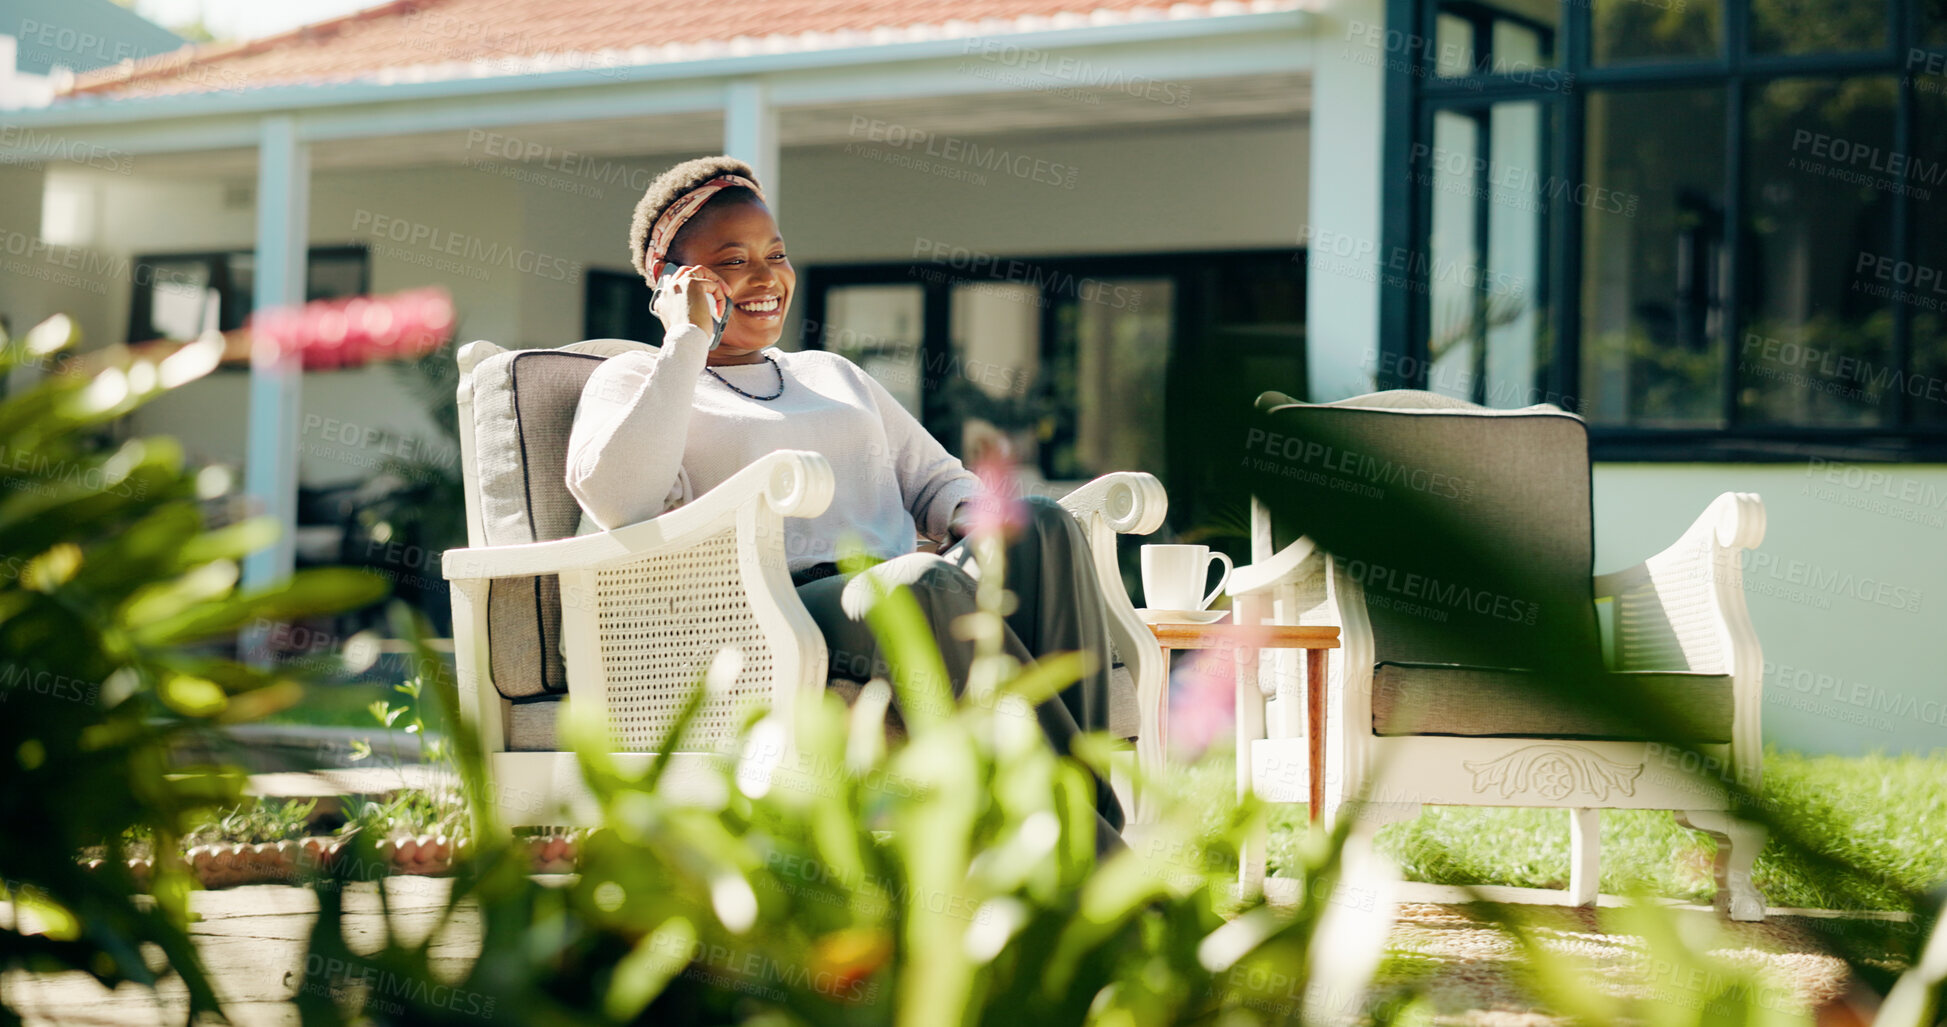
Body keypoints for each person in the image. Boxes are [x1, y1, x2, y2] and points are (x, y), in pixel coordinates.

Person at [565, 155, 1124, 846]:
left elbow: (937, 478)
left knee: (1041, 522)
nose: (766, 278)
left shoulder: (831, 374)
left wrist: (968, 518)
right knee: (920, 582)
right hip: (777, 612)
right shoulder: (637, 381)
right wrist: (684, 341)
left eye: (776, 254)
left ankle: (1091, 820)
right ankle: (1093, 852)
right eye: (733, 260)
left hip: (907, 586)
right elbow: (617, 500)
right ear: (673, 281)